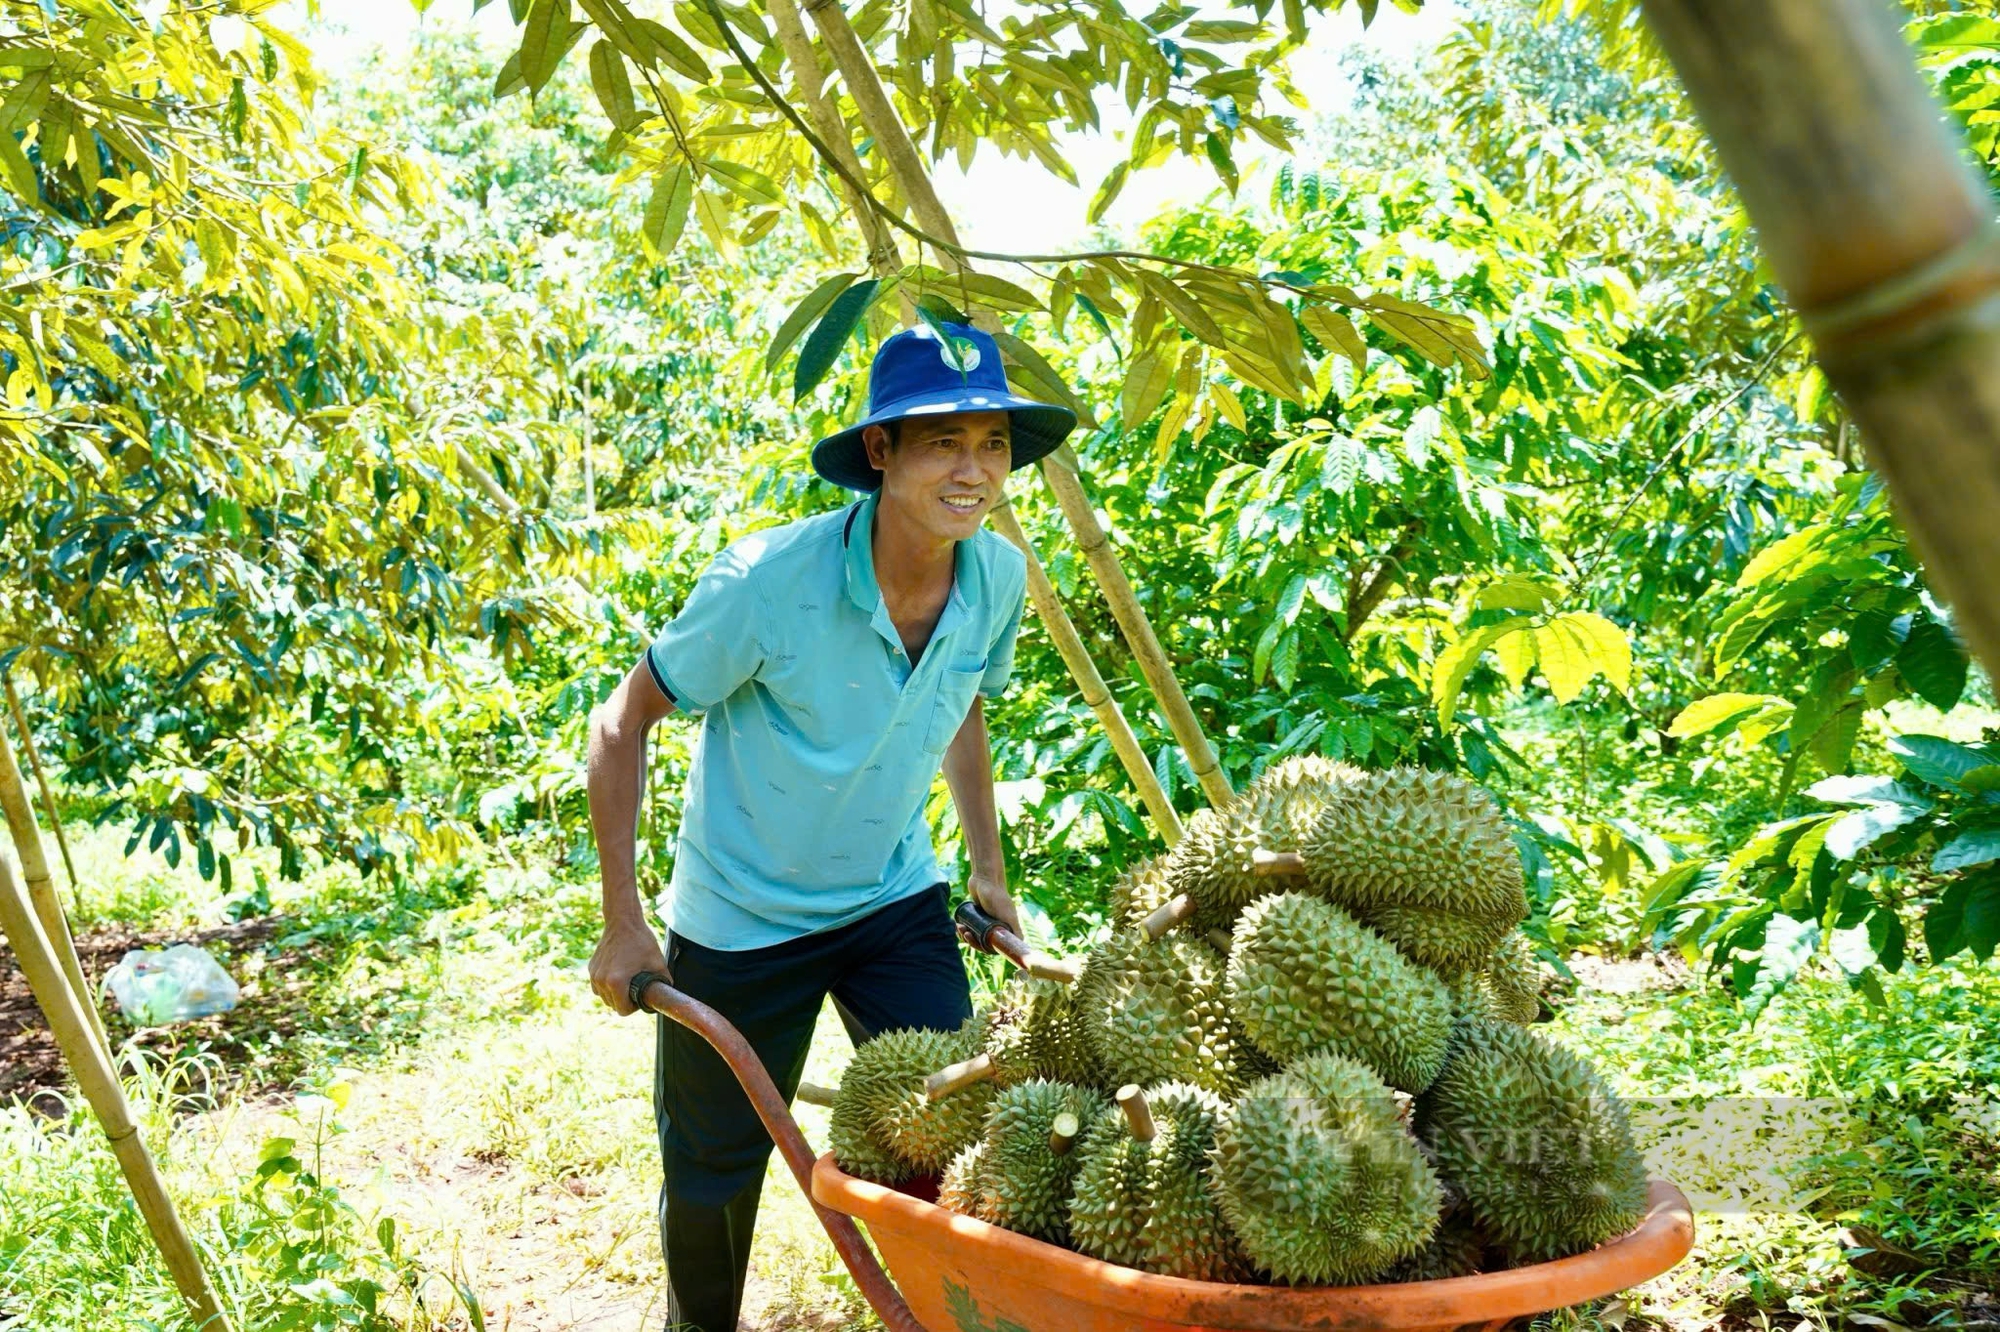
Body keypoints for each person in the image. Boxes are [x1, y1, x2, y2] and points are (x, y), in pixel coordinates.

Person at [583, 320, 1078, 1332]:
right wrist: (623, 923)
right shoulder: (765, 585)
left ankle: (963, 1314)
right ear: (880, 451)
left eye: (990, 445)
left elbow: (963, 706)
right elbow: (619, 721)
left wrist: (987, 871)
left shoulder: (993, 578)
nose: (972, 469)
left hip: (893, 898)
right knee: (714, 1174)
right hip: (742, 918)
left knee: (957, 1128)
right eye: (942, 441)